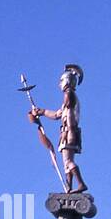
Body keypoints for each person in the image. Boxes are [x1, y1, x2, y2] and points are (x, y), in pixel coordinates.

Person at [31, 64, 87, 193]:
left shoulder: (70, 95)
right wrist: (43, 112)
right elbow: (57, 115)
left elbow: (66, 111)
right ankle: (69, 187)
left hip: (69, 132)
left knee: (68, 161)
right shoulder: (67, 102)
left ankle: (80, 183)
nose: (59, 84)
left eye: (61, 81)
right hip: (67, 132)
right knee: (67, 163)